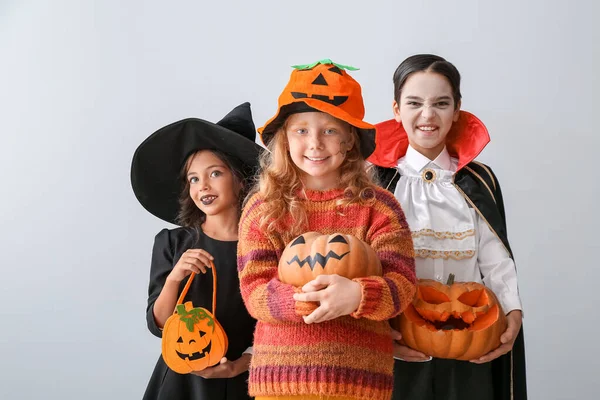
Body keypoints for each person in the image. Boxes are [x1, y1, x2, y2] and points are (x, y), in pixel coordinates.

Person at [237, 59, 417, 400]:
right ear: (285, 139)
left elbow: (403, 284)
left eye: (330, 130)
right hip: (281, 382)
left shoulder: (379, 208)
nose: (315, 143)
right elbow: (254, 291)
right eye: (301, 130)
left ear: (350, 140)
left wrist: (358, 295)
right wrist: (308, 301)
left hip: (361, 383)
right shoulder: (263, 209)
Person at [368, 54, 526, 400]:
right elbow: (362, 263)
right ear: (396, 109)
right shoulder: (375, 183)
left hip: (471, 336)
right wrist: (375, 329)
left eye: (441, 103)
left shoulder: (478, 180)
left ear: (457, 110)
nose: (428, 115)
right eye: (414, 103)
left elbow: (494, 257)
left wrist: (512, 310)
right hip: (395, 342)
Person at [131, 103, 261, 400]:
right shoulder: (173, 243)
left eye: (215, 173)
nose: (203, 185)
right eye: (193, 178)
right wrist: (176, 277)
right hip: (181, 382)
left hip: (245, 380)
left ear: (241, 180)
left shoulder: (264, 246)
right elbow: (159, 324)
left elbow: (275, 327)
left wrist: (241, 364)